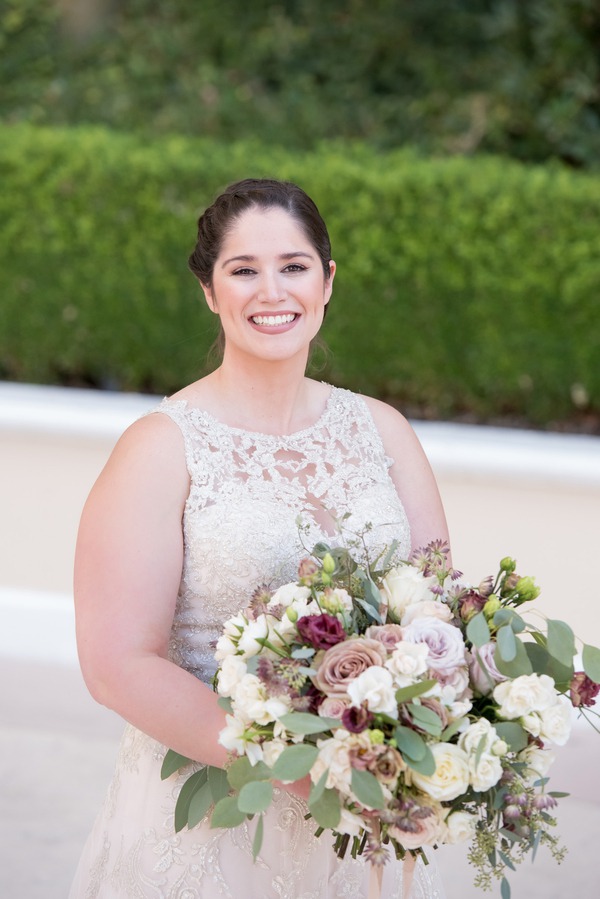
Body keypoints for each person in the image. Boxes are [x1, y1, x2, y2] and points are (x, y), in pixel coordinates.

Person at [70, 179, 449, 898]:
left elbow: (439, 616)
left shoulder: (385, 431)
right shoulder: (161, 447)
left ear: (327, 281)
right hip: (212, 820)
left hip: (362, 820)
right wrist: (301, 766)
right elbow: (117, 664)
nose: (271, 291)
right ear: (210, 291)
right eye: (243, 269)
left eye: (293, 266)